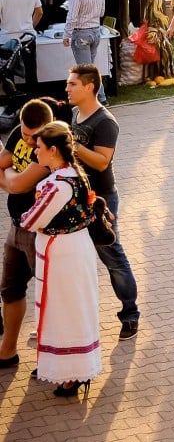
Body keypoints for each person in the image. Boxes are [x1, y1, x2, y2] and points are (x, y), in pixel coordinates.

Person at [20, 121, 103, 398]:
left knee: (65, 310)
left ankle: (73, 372)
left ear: (53, 150)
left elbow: (32, 220)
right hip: (71, 248)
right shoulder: (73, 174)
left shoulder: (57, 185)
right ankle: (69, 368)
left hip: (63, 252)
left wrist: (29, 219)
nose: (35, 154)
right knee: (71, 307)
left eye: (40, 148)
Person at [67, 65, 140, 338]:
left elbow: (101, 161)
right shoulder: (76, 114)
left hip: (102, 198)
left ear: (89, 86)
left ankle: (130, 314)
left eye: (73, 84)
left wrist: (73, 145)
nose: (68, 88)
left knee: (111, 254)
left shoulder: (105, 122)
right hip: (77, 196)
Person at [0, 99, 54, 369]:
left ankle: (52, 358)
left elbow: (19, 185)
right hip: (15, 226)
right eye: (24, 134)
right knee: (10, 290)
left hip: (40, 232)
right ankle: (7, 351)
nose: (29, 141)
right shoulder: (20, 134)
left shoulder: (50, 147)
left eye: (34, 136)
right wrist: (10, 180)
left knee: (48, 296)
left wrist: (8, 178)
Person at [63, 0, 107, 104]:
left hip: (81, 33)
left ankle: (100, 98)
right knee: (91, 67)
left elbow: (72, 17)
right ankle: (97, 97)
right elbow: (101, 12)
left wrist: (66, 34)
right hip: (95, 31)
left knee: (86, 70)